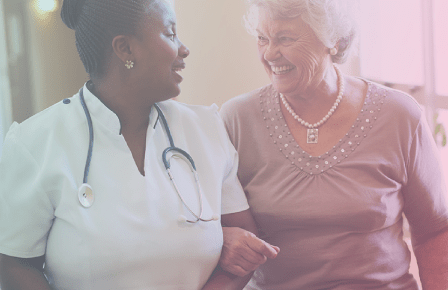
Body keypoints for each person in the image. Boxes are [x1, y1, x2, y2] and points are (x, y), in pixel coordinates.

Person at [0, 0, 279, 289]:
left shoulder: (205, 128)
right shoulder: (35, 143)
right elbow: (15, 264)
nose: (184, 49)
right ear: (125, 49)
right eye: (170, 34)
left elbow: (245, 243)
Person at [219, 0, 448, 289]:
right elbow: (211, 227)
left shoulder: (399, 115)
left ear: (334, 40)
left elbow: (436, 229)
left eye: (285, 38)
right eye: (262, 39)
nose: (269, 53)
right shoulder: (236, 120)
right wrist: (223, 239)